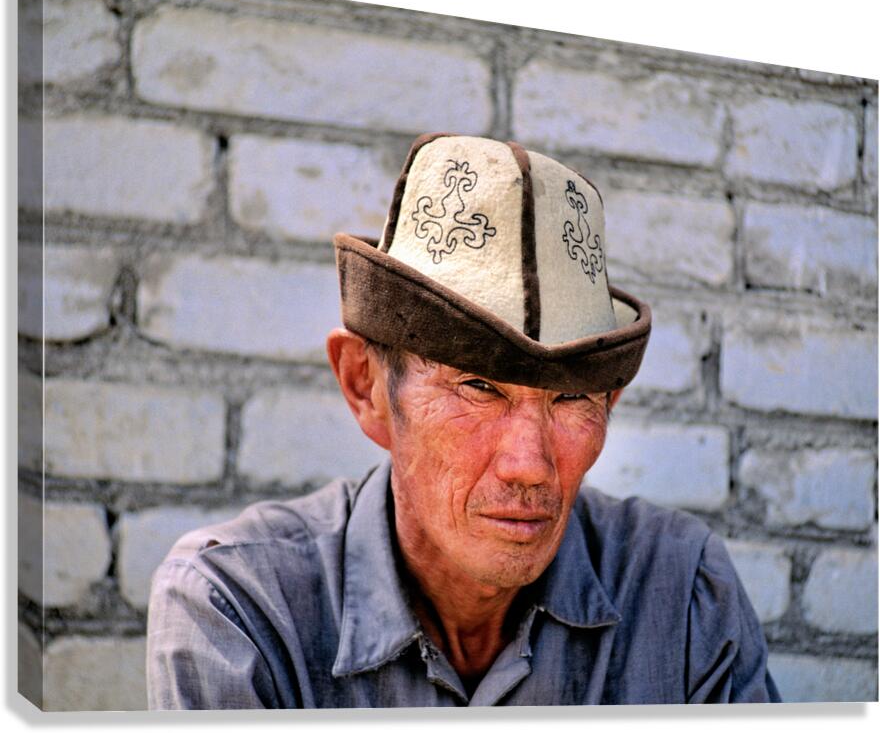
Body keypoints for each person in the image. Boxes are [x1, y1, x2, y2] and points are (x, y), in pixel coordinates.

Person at [146, 133, 780, 707]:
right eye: (478, 387)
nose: (530, 465)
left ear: (609, 405)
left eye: (569, 398)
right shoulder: (241, 614)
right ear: (365, 386)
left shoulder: (686, 596)